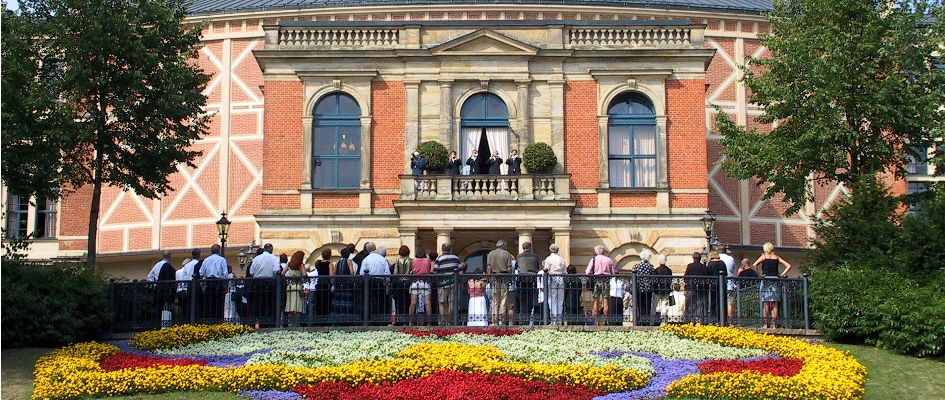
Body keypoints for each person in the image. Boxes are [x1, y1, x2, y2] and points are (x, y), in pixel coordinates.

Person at [753, 242, 793, 329]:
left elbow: (755, 264)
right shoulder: (776, 257)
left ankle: (765, 324)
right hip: (775, 279)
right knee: (775, 303)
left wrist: (759, 275)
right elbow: (788, 266)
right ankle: (774, 325)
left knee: (766, 302)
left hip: (766, 279)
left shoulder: (764, 257)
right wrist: (782, 275)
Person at [359, 243, 391, 324]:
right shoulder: (382, 259)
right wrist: (387, 285)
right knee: (381, 302)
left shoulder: (366, 259)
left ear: (366, 250)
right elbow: (387, 273)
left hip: (369, 283)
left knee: (369, 301)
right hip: (380, 283)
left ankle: (369, 320)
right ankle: (380, 320)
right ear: (375, 248)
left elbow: (362, 273)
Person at [585, 245, 616, 326]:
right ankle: (606, 320)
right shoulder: (609, 259)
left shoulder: (593, 259)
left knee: (596, 301)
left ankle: (596, 321)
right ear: (603, 252)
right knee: (606, 300)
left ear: (595, 252)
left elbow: (587, 272)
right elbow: (613, 272)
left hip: (596, 280)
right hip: (606, 280)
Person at [433, 243, 463, 325]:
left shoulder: (439, 258)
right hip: (453, 282)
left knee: (441, 302)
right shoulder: (456, 258)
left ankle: (443, 320)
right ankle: (449, 320)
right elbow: (460, 270)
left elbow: (435, 270)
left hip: (442, 284)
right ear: (450, 249)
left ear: (442, 249)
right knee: (451, 302)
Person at [487, 239, 514, 325]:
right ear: (503, 245)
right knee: (503, 299)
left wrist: (489, 277)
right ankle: (502, 320)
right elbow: (509, 268)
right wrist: (510, 278)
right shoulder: (507, 254)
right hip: (504, 277)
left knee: (495, 300)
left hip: (494, 277)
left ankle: (494, 320)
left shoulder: (491, 253)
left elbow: (489, 267)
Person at [198, 244, 229, 320]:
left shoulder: (206, 260)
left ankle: (209, 320)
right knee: (219, 303)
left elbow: (201, 273)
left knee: (209, 304)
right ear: (219, 251)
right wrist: (224, 283)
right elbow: (225, 273)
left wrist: (205, 277)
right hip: (218, 282)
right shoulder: (222, 260)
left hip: (209, 282)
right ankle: (218, 320)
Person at [148, 251, 177, 328]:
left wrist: (155, 285)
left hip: (158, 288)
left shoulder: (157, 265)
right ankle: (165, 324)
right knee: (166, 307)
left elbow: (150, 276)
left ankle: (158, 324)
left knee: (158, 308)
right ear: (170, 256)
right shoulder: (168, 266)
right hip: (165, 289)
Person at [542, 244, 567, 325]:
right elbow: (564, 271)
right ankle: (559, 320)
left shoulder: (549, 259)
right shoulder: (561, 259)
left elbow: (546, 269)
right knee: (560, 300)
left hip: (552, 278)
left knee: (552, 300)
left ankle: (554, 320)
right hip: (561, 278)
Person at [516, 242, 540, 326]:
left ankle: (523, 319)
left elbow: (517, 267)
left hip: (522, 279)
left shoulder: (519, 256)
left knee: (522, 300)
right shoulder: (535, 256)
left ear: (523, 248)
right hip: (532, 279)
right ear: (530, 247)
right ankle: (529, 317)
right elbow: (537, 267)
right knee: (530, 300)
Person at [330, 247, 357, 320]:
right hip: (346, 284)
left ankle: (338, 316)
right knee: (346, 301)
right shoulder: (349, 261)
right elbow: (351, 272)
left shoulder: (338, 262)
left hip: (339, 284)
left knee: (339, 301)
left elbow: (335, 272)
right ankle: (347, 316)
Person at [683, 251, 710, 324]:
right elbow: (707, 278)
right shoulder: (703, 267)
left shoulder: (690, 266)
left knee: (690, 304)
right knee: (701, 305)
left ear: (693, 258)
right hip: (701, 288)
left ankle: (690, 320)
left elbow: (686, 277)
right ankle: (700, 320)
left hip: (691, 287)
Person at [308, 249, 333, 325]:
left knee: (319, 303)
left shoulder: (318, 263)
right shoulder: (330, 264)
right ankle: (325, 321)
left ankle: (318, 320)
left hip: (319, 284)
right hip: (326, 285)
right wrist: (333, 283)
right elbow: (331, 275)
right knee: (326, 303)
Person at [409, 247, 432, 326]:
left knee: (413, 303)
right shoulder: (428, 260)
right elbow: (429, 270)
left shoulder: (413, 261)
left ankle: (410, 322)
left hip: (415, 282)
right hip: (425, 282)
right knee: (427, 303)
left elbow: (412, 269)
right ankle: (429, 322)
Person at [176, 249, 201, 320]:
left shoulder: (187, 265)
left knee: (189, 304)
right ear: (199, 255)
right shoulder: (199, 263)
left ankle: (189, 319)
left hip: (189, 286)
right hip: (197, 285)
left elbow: (183, 277)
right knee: (198, 304)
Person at [282, 251, 306, 327]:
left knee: (290, 304)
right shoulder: (301, 265)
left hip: (290, 285)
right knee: (298, 305)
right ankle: (296, 323)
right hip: (298, 285)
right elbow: (304, 274)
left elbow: (282, 273)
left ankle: (291, 323)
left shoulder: (289, 264)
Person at [632, 250, 656, 326]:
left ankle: (639, 320)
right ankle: (646, 321)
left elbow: (633, 277)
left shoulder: (636, 266)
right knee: (647, 305)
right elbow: (654, 279)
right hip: (648, 289)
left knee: (639, 305)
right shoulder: (651, 267)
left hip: (639, 288)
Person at [391, 246, 413, 325]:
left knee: (399, 303)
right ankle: (407, 321)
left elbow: (395, 273)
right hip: (408, 283)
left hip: (399, 284)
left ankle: (399, 320)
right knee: (408, 302)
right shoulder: (411, 261)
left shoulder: (397, 261)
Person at [652, 254, 674, 325]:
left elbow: (654, 281)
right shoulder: (669, 270)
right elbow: (670, 280)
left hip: (657, 290)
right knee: (665, 307)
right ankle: (664, 322)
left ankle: (651, 321)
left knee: (654, 306)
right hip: (666, 290)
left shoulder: (656, 270)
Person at [719, 245, 738, 322]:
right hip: (730, 283)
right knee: (730, 303)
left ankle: (721, 320)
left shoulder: (717, 258)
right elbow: (732, 269)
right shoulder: (731, 258)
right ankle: (730, 321)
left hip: (720, 284)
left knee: (719, 302)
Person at [706, 250, 726, 322]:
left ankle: (714, 319)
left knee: (713, 302)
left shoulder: (711, 264)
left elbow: (708, 274)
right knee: (722, 301)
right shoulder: (722, 263)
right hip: (722, 284)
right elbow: (725, 273)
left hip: (713, 285)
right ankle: (723, 318)